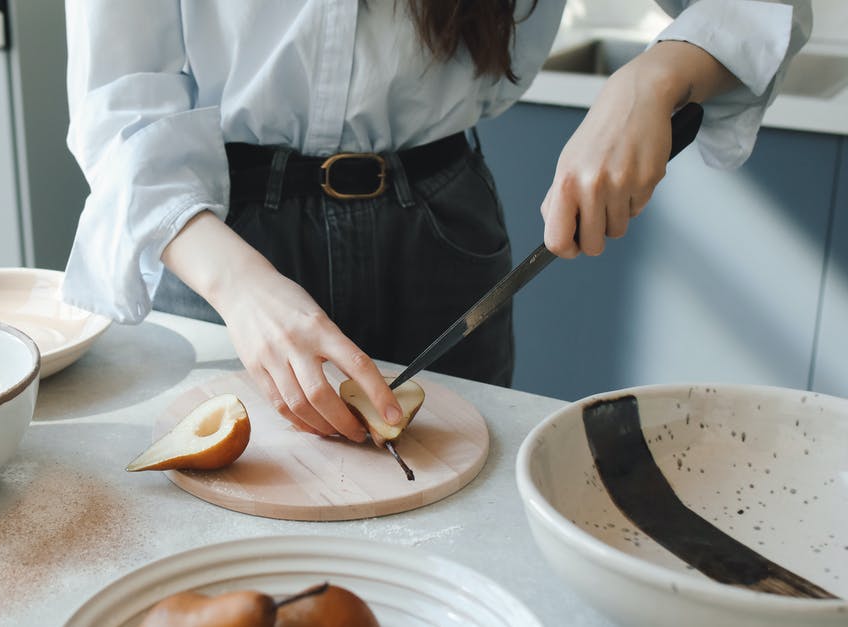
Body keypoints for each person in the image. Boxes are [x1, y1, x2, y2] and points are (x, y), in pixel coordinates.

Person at [61, 0, 810, 443]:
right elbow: (121, 101)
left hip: (441, 244)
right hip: (212, 246)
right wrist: (245, 289)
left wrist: (658, 75)